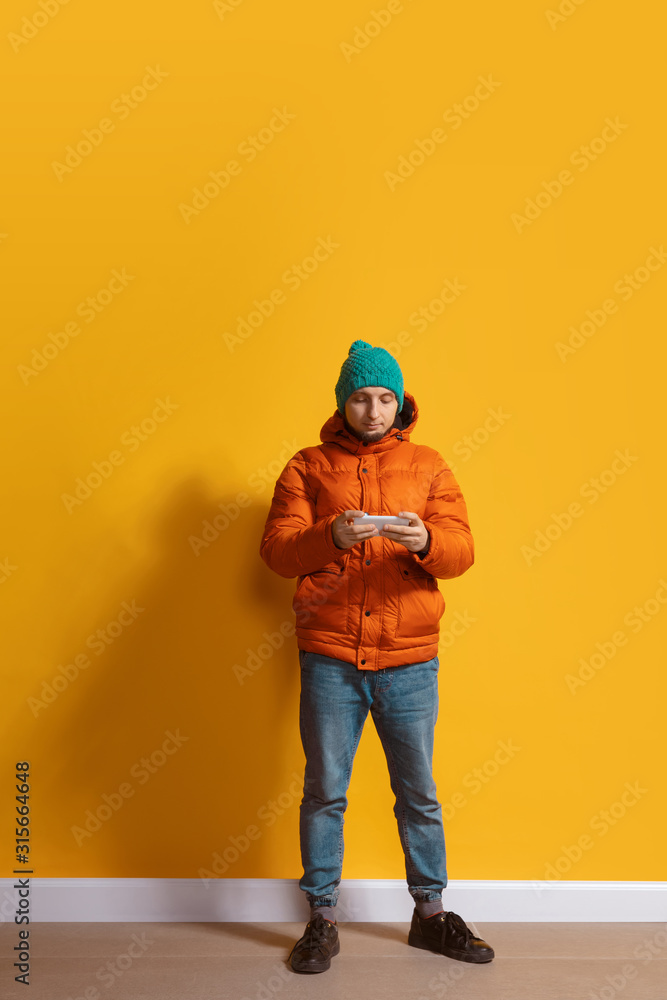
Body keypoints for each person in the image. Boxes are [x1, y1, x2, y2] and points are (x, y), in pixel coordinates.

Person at [259, 340, 494, 973]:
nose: (373, 409)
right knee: (325, 790)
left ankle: (431, 915)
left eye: (385, 397)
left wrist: (426, 542)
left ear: (401, 402)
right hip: (331, 654)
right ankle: (321, 919)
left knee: (418, 791)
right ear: (343, 403)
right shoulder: (307, 466)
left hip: (410, 658)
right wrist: (329, 535)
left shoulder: (431, 465)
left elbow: (463, 550)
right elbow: (278, 551)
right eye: (361, 397)